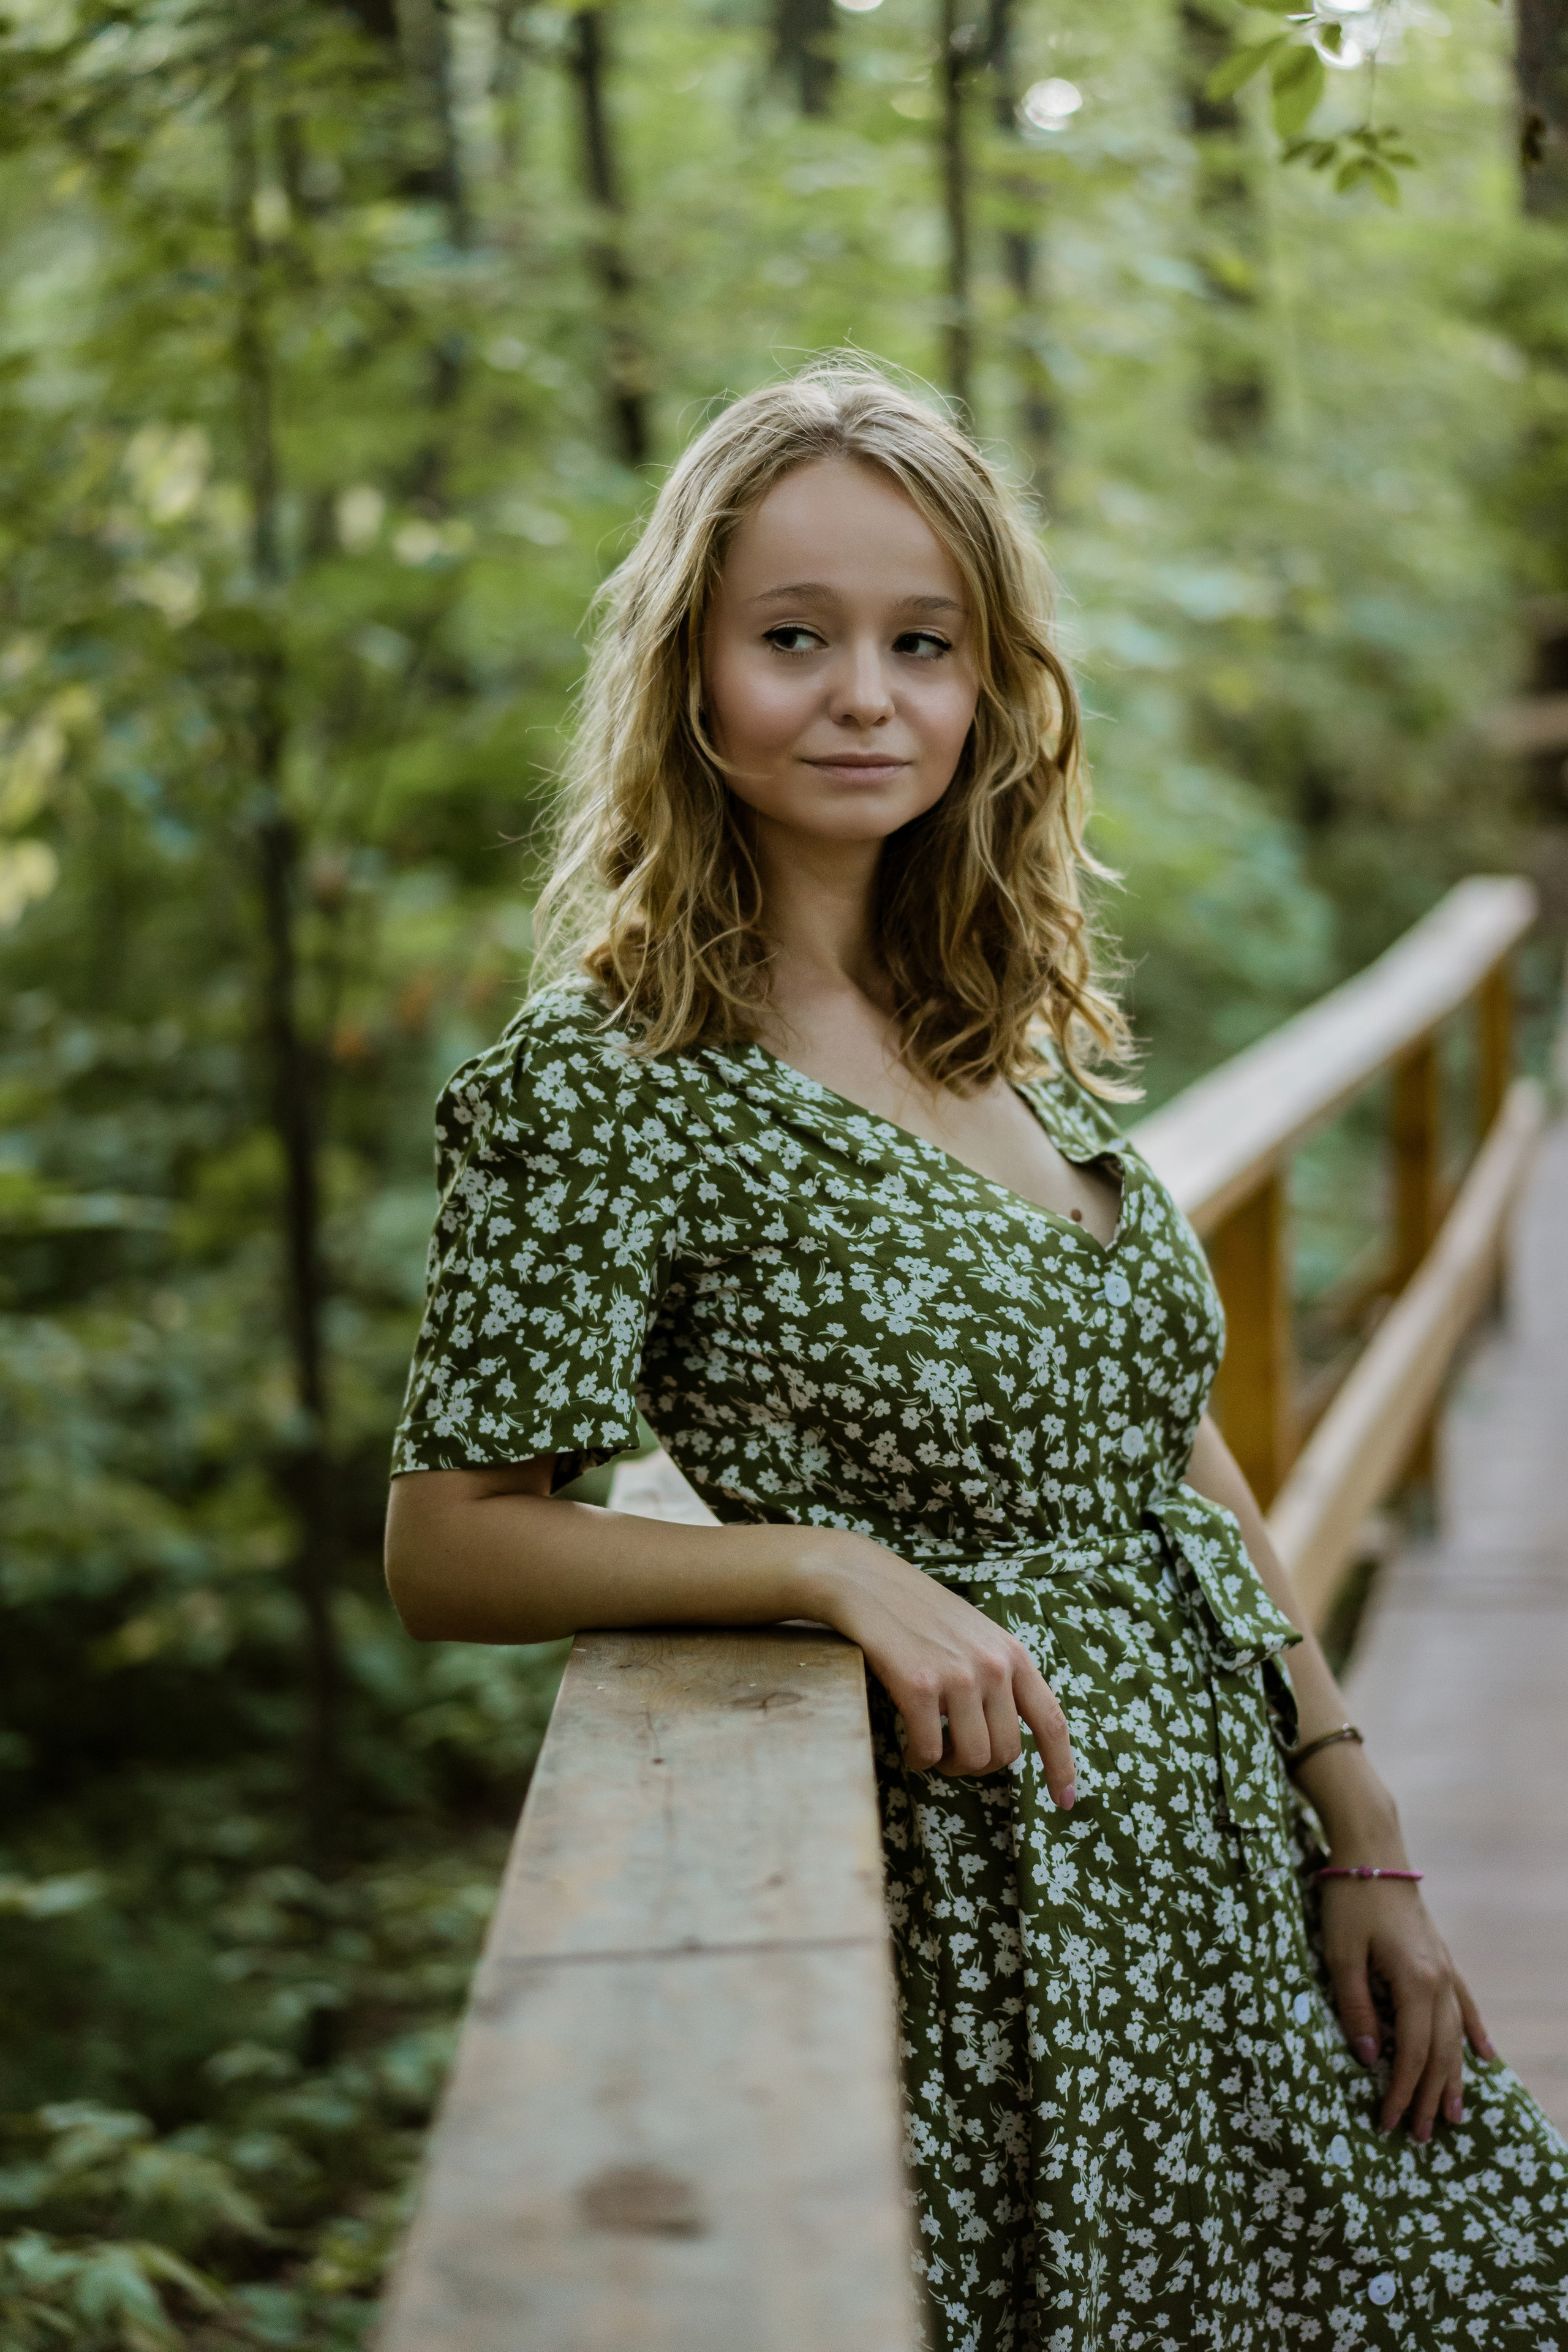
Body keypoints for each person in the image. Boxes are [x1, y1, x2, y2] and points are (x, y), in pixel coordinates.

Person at [383, 361, 1567, 2348]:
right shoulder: (606, 1085)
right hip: (1006, 1922)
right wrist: (826, 1563)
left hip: (1229, 1869)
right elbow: (451, 1546)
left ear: (990, 682)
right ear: (688, 677)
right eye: (795, 638)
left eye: (922, 642)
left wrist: (1357, 1817)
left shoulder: (993, 1024)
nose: (866, 694)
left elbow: (1167, 1441)